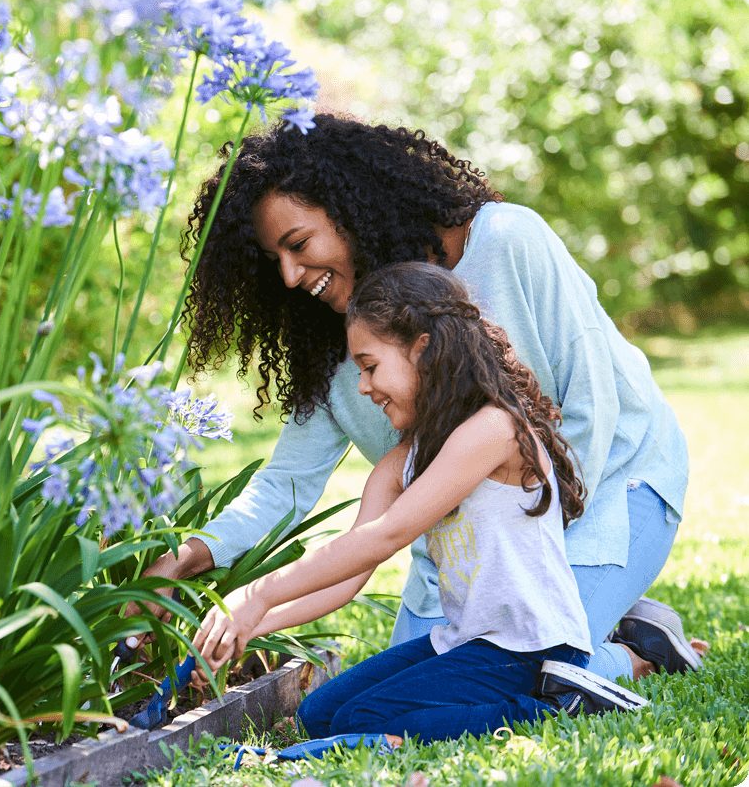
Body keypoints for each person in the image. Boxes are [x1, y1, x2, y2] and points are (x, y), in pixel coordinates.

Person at [129, 113, 704, 686]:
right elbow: (285, 485)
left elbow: (593, 406)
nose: (287, 275)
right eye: (272, 259)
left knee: (522, 672)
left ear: (351, 208)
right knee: (408, 684)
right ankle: (615, 622)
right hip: (471, 548)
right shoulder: (341, 351)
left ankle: (631, 652)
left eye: (298, 244)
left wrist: (533, 570)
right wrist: (190, 555)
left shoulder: (505, 241)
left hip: (610, 489)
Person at [191, 263, 645, 747]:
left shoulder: (494, 430)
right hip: (468, 642)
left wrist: (258, 593)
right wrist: (251, 626)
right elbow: (351, 568)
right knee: (320, 714)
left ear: (422, 349)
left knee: (360, 720)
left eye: (370, 366)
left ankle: (561, 707)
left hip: (531, 649)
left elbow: (385, 536)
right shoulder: (402, 460)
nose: (363, 386)